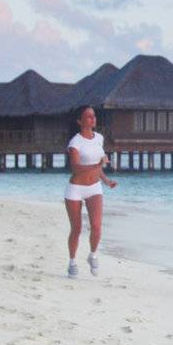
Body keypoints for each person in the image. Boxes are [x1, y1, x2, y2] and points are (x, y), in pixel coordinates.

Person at [64, 104, 116, 277]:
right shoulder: (75, 142)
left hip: (95, 187)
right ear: (80, 121)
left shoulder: (99, 138)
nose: (93, 119)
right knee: (76, 229)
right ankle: (72, 262)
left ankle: (92, 255)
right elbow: (76, 168)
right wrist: (96, 165)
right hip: (75, 189)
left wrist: (107, 181)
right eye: (88, 116)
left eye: (93, 116)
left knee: (96, 226)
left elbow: (98, 167)